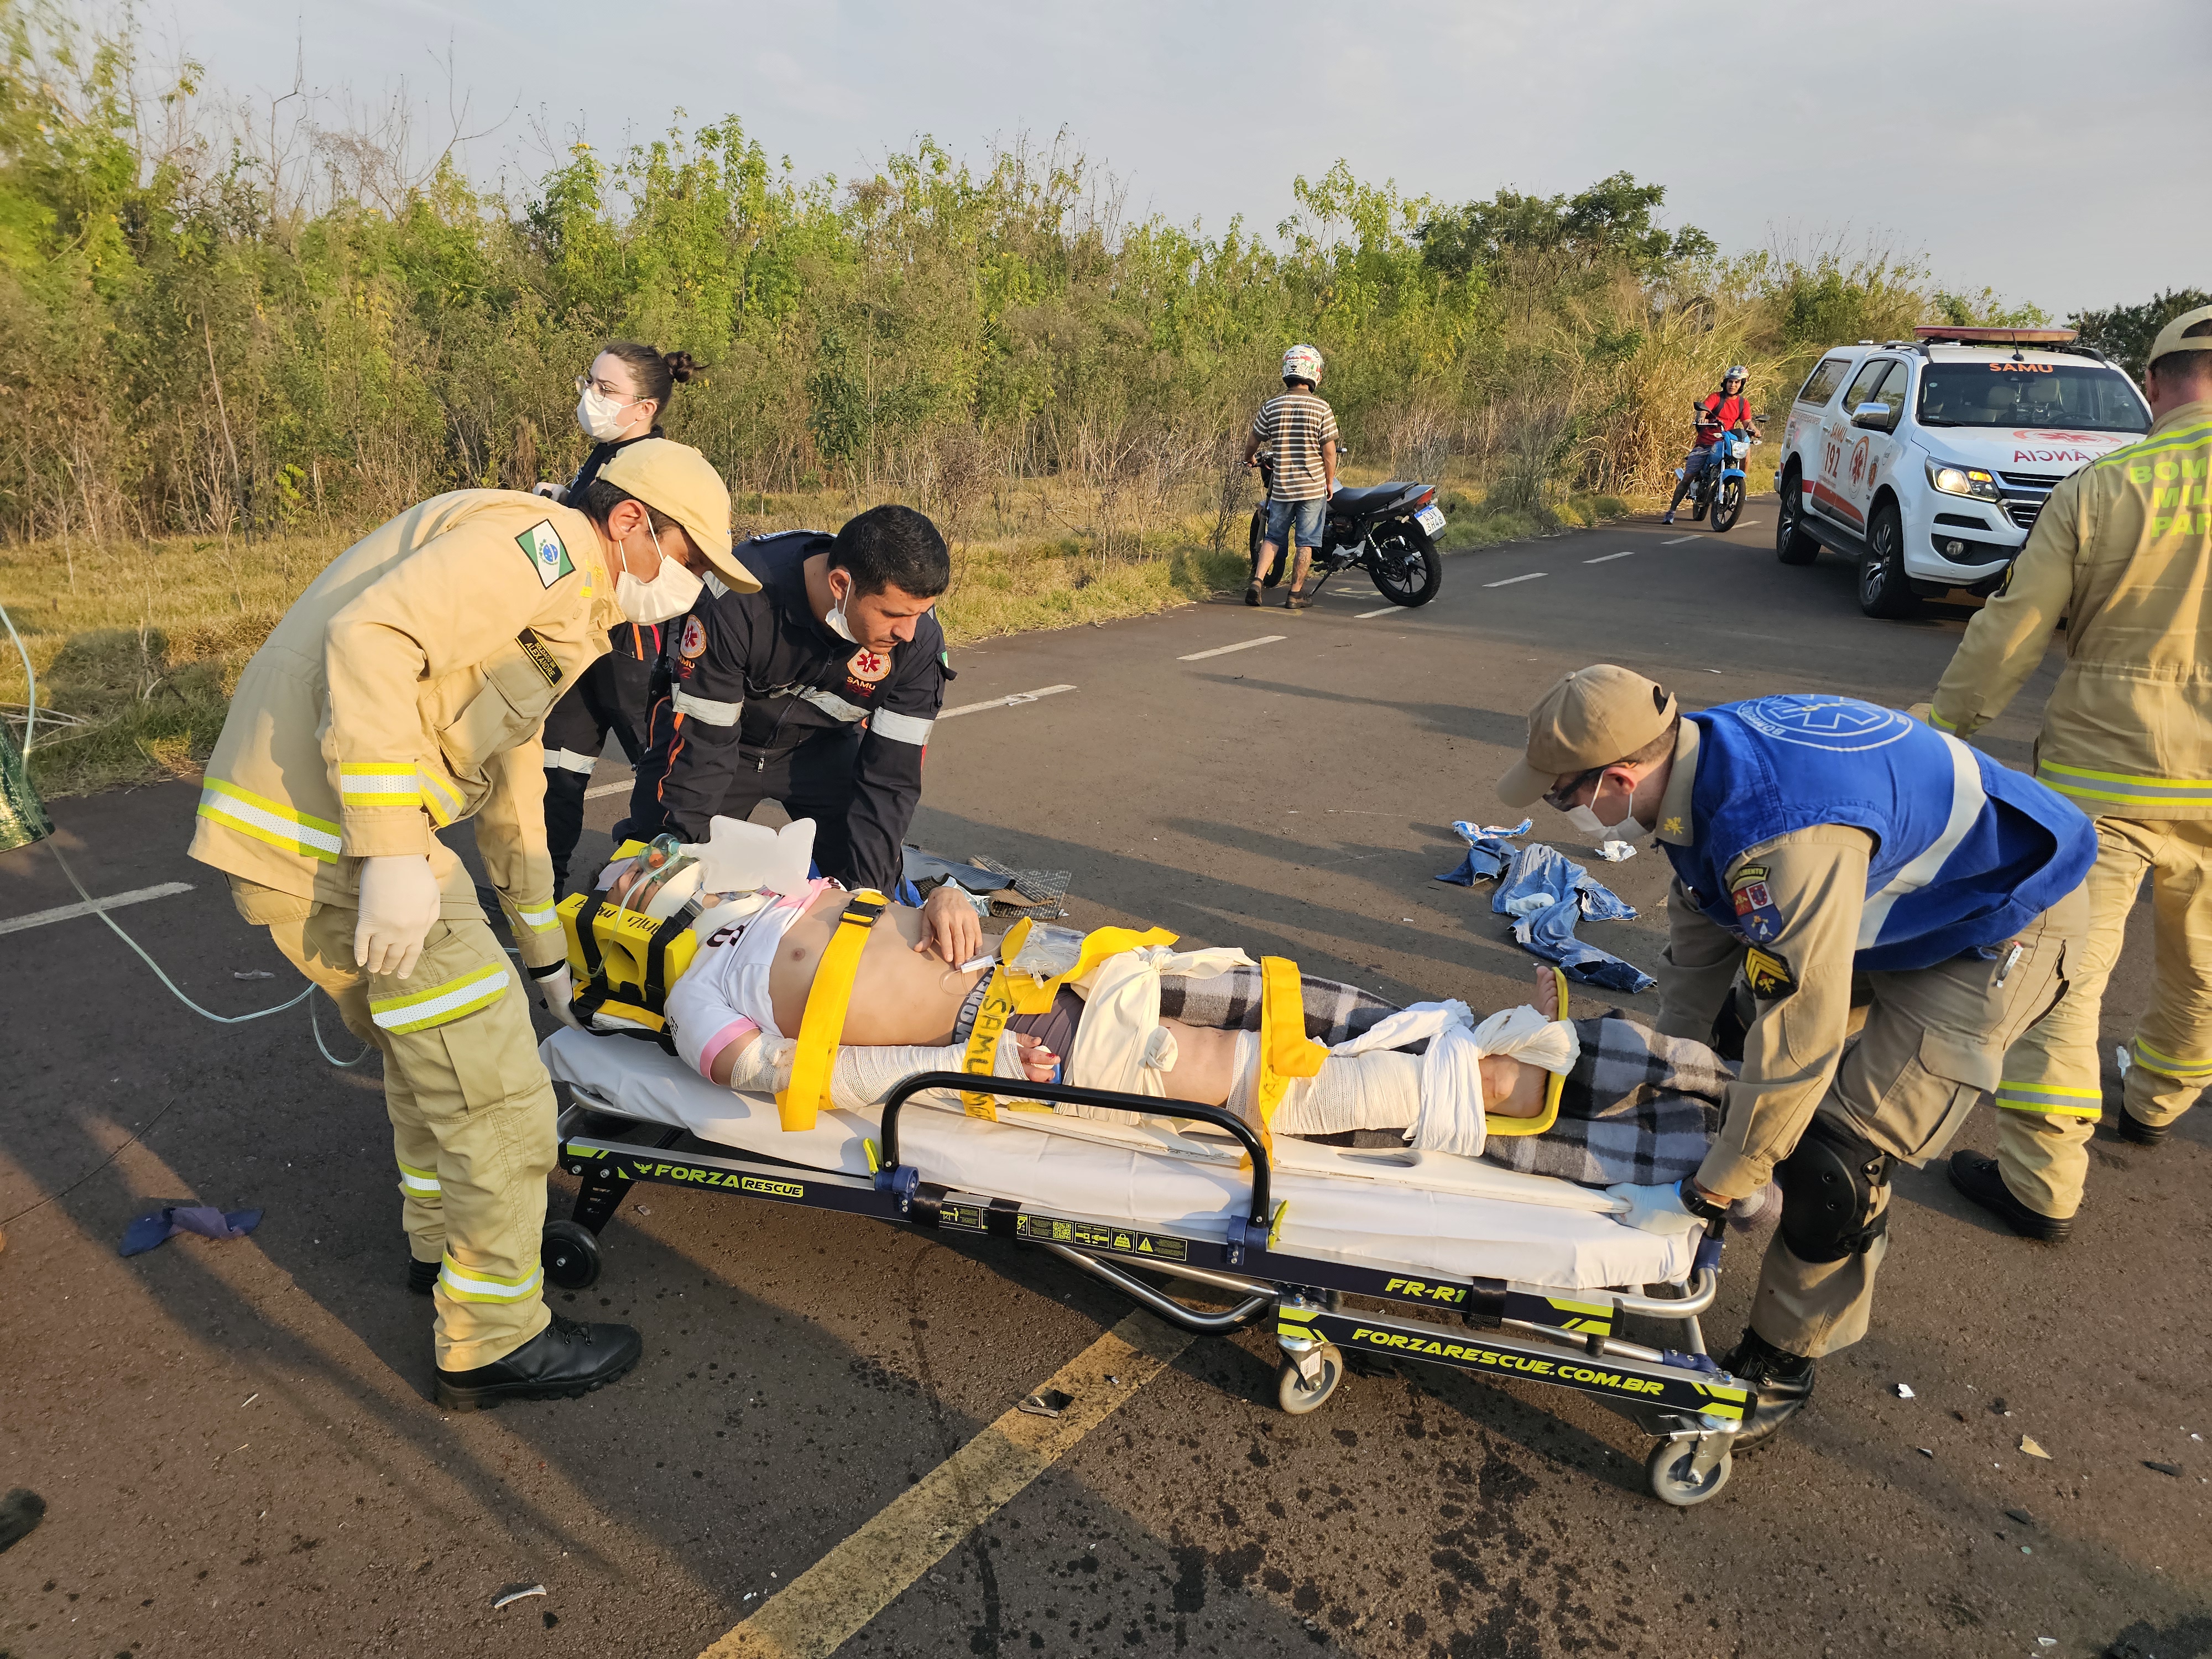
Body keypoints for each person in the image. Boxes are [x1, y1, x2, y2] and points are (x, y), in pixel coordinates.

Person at [187, 439, 748, 1409]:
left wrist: (543, 958)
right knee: (501, 1100)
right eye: (691, 560)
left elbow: (509, 784)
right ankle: (494, 1337)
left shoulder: (564, 609)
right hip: (345, 846)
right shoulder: (548, 549)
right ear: (630, 523)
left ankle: (443, 1250)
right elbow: (371, 636)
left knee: (426, 1063)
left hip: (309, 843)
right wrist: (394, 851)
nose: (692, 589)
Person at [1496, 664, 2095, 1447]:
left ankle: (1778, 1364)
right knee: (1729, 1046)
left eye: (1561, 796)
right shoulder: (1697, 769)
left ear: (1618, 777)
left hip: (2002, 914)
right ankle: (1721, 1207)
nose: (1562, 811)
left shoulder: (1775, 832)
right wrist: (1670, 1071)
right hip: (1892, 890)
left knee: (1833, 1161)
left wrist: (1727, 1181)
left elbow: (1802, 1036)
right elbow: (1699, 959)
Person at [587, 851, 1737, 1191]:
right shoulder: (694, 1003)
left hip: (1066, 966)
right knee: (1266, 1079)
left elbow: (915, 906)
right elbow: (812, 1083)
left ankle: (1539, 1059)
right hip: (1028, 1039)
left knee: (1299, 1001)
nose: (646, 878)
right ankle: (1515, 1097)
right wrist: (968, 1064)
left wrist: (940, 896)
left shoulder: (787, 891)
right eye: (630, 884)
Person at [1926, 304, 2212, 1241]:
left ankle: (2043, 1181)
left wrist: (1944, 731)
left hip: (2108, 773)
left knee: (2066, 978)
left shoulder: (2104, 489)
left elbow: (2009, 630)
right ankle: (2161, 1099)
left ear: (2160, 384)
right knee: (2205, 965)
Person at [614, 507, 952, 895]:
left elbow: (892, 778)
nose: (908, 633)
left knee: (867, 877)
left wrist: (870, 896)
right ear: (841, 584)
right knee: (656, 870)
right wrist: (677, 849)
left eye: (921, 614)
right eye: (894, 614)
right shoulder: (742, 596)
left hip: (821, 749)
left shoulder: (919, 641)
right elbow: (703, 741)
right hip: (725, 743)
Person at [535, 342, 701, 894]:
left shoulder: (654, 468)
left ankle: (669, 890)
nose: (591, 397)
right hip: (578, 638)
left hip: (631, 644)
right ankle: (542, 890)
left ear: (645, 408)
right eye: (589, 383)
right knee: (558, 768)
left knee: (663, 775)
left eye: (606, 390)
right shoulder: (605, 454)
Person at [1241, 345, 1340, 609]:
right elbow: (1329, 452)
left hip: (1283, 486)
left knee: (1274, 536)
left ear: (1288, 370)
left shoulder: (1272, 406)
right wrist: (1330, 482)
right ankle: (1296, 594)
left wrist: (1250, 458)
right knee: (1305, 542)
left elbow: (1253, 441)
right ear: (1314, 373)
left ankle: (1258, 582)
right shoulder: (1322, 408)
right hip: (1312, 488)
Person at [1662, 367, 1761, 526]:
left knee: (1747, 450)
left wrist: (1754, 430)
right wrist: (1702, 419)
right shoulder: (1716, 398)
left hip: (1726, 442)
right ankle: (1671, 511)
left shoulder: (1743, 403)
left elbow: (1747, 422)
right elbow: (1703, 411)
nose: (1733, 385)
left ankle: (1738, 490)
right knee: (1688, 477)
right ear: (1725, 382)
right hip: (1706, 442)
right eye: (1730, 382)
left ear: (1741, 384)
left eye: (1737, 382)